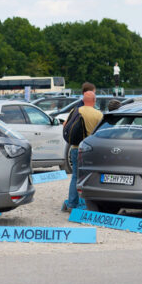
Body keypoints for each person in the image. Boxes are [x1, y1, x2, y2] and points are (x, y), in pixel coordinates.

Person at [63, 82, 103, 212]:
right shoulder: (98, 114)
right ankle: (89, 204)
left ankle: (71, 203)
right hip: (90, 149)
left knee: (75, 175)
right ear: (94, 100)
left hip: (75, 147)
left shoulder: (74, 110)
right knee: (90, 176)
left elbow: (65, 126)